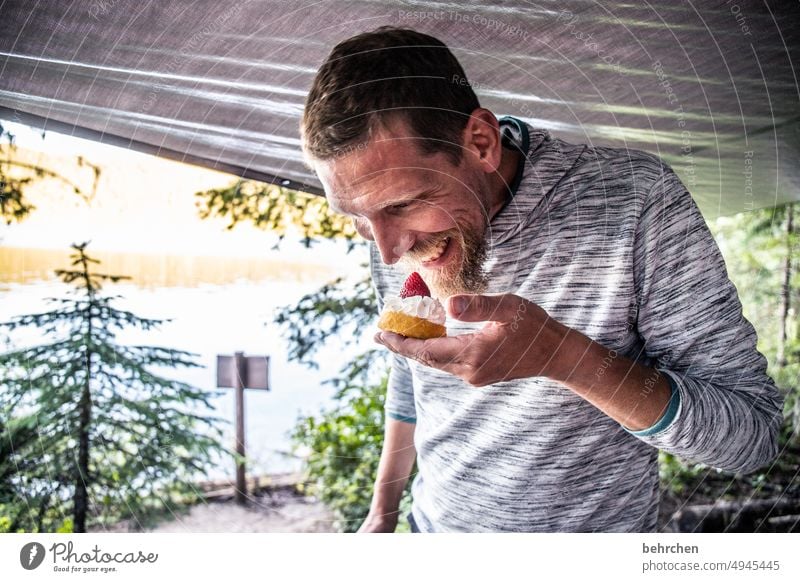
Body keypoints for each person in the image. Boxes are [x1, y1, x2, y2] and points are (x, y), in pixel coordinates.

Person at [300, 27, 784, 532]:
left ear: (481, 143)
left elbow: (750, 437)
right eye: (356, 217)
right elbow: (413, 375)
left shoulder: (637, 204)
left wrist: (566, 356)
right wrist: (383, 511)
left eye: (404, 205)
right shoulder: (390, 231)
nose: (387, 249)